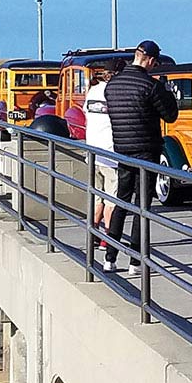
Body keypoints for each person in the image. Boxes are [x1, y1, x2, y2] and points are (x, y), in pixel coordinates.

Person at [102, 40, 179, 273]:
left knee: (121, 201)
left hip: (122, 150)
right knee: (142, 207)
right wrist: (167, 92)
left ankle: (109, 258)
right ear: (151, 60)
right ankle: (136, 261)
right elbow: (170, 116)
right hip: (147, 152)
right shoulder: (150, 86)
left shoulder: (112, 86)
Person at [84, 58, 124, 247]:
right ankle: (107, 239)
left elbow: (86, 115)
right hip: (111, 153)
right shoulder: (116, 93)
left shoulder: (93, 91)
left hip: (93, 152)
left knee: (97, 196)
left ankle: (93, 233)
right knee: (111, 200)